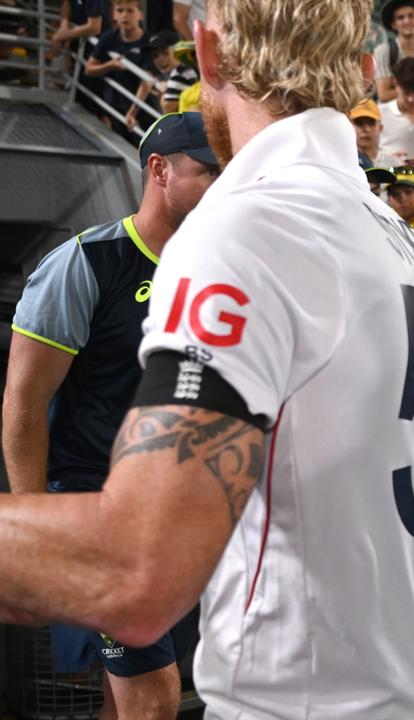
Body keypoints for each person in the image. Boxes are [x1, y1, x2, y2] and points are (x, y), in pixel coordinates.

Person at [0, 0, 414, 716]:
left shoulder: (248, 226)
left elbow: (138, 568)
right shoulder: (411, 243)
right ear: (363, 71)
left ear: (208, 53)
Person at [3, 112, 217, 720]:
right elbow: (23, 402)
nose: (222, 185)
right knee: (154, 696)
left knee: (130, 693)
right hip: (97, 507)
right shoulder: (85, 263)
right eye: (208, 171)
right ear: (159, 170)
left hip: (177, 508)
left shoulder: (214, 271)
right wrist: (37, 528)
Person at [84, 0, 154, 128]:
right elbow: (89, 69)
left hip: (142, 107)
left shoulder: (149, 43)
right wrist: (109, 65)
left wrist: (132, 113)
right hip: (114, 104)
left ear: (140, 15)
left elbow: (146, 82)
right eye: (120, 11)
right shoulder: (108, 38)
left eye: (130, 11)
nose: (124, 15)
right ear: (114, 14)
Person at [350, 98, 396, 168]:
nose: (366, 129)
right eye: (359, 123)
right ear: (350, 128)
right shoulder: (345, 162)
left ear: (380, 128)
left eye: (371, 123)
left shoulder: (393, 164)